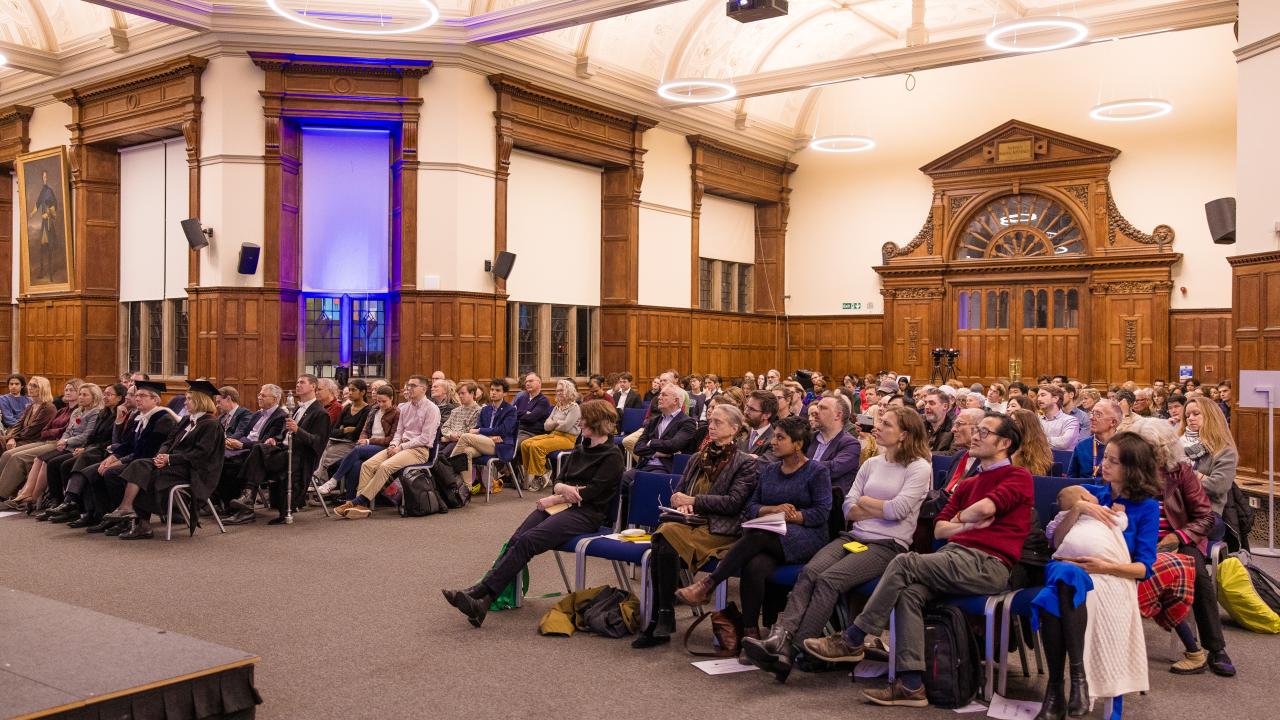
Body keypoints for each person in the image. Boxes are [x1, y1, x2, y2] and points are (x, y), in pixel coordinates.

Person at [804, 412, 1032, 708]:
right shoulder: (968, 482)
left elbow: (986, 508)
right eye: (975, 430)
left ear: (1005, 443)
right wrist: (967, 522)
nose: (974, 435)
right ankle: (911, 685)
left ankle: (854, 637)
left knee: (903, 563)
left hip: (987, 563)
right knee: (909, 594)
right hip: (952, 557)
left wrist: (965, 519)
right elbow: (940, 527)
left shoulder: (1017, 476)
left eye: (984, 432)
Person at [743, 406, 931, 682]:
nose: (877, 427)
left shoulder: (919, 467)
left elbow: (899, 510)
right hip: (854, 537)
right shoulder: (871, 464)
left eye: (886, 424)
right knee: (809, 573)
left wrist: (866, 504)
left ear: (904, 434)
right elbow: (848, 508)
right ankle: (780, 639)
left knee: (830, 580)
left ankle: (794, 650)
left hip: (887, 545)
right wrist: (872, 507)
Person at [442, 400, 625, 627]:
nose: (581, 422)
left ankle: (481, 591)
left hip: (587, 514)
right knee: (517, 538)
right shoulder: (580, 447)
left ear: (596, 422)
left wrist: (556, 495)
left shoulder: (613, 456)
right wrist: (561, 490)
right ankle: (484, 599)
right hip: (563, 504)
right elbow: (559, 480)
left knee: (528, 541)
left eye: (585, 419)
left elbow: (591, 493)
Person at [1031, 434, 1160, 720]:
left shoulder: (1147, 506)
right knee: (1064, 571)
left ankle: (1056, 691)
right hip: (1070, 567)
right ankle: (1078, 679)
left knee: (1052, 597)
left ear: (1133, 467)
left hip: (1109, 576)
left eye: (1114, 461)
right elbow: (1057, 543)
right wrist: (1077, 509)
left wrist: (1103, 566)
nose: (1105, 465)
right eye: (1105, 458)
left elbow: (1144, 568)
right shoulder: (1091, 494)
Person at [675, 416, 832, 646]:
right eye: (774, 437)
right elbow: (751, 507)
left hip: (806, 536)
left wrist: (793, 516)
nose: (774, 442)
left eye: (780, 438)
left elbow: (821, 513)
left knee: (756, 537)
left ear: (798, 444)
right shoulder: (769, 471)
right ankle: (751, 635)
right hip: (769, 535)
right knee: (754, 565)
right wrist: (773, 510)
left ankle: (708, 584)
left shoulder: (817, 471)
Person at [632, 405, 759, 649]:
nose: (711, 426)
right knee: (663, 538)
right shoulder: (697, 458)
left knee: (663, 536)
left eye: (718, 423)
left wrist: (694, 502)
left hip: (720, 528)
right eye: (711, 421)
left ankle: (662, 617)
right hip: (691, 522)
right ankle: (663, 615)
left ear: (734, 429)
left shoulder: (744, 463)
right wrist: (680, 502)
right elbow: (679, 490)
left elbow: (734, 503)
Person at [1128, 418, 1234, 677]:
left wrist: (1179, 536)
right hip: (1140, 540)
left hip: (1180, 538)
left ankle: (1216, 648)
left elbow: (1206, 517)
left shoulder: (1181, 472)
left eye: (1148, 447)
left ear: (1162, 448)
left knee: (1196, 571)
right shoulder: (1131, 471)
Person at [100, 380, 226, 540]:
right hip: (174, 464)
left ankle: (134, 515)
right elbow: (168, 441)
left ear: (201, 400)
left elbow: (201, 454)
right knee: (140, 467)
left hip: (195, 470)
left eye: (188, 399)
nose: (185, 402)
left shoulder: (211, 424)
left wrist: (170, 459)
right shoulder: (188, 420)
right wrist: (161, 455)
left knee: (143, 472)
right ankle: (133, 515)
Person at [335, 375, 440, 519]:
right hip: (400, 446)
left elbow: (425, 438)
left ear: (423, 389)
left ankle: (359, 501)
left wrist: (400, 447)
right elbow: (399, 431)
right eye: (408, 385)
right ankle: (362, 507)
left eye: (413, 386)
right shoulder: (404, 407)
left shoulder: (431, 409)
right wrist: (394, 444)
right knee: (367, 465)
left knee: (385, 466)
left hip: (419, 450)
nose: (409, 388)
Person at [235, 375, 332, 525]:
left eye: (302, 382)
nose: (298, 385)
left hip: (300, 456)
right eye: (297, 382)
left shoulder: (320, 413)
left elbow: (318, 442)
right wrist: (275, 439)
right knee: (259, 448)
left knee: (258, 452)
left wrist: (298, 429)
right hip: (285, 450)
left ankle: (247, 499)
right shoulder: (298, 408)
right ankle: (247, 499)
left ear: (313, 386)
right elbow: (284, 433)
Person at [85, 381, 179, 535]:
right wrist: (112, 457)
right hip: (136, 460)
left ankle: (125, 520)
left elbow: (148, 452)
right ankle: (106, 517)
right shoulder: (139, 417)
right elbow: (127, 444)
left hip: (150, 464)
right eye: (137, 395)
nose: (137, 399)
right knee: (93, 473)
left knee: (112, 474)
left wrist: (119, 461)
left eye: (142, 396)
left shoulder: (163, 419)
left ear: (155, 400)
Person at [6, 383, 104, 512]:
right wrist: (63, 439)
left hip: (78, 447)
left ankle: (38, 498)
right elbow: (68, 430)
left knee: (51, 462)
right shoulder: (77, 411)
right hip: (65, 444)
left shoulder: (95, 413)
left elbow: (86, 435)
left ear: (95, 397)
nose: (80, 397)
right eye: (80, 394)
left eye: (84, 395)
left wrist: (66, 441)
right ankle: (28, 494)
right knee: (39, 459)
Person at [40, 383, 127, 523]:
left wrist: (85, 448)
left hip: (105, 451)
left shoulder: (120, 415)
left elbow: (115, 441)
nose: (105, 397)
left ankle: (73, 503)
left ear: (119, 398)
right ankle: (67, 505)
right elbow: (92, 436)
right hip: (92, 448)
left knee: (73, 464)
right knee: (58, 464)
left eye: (109, 394)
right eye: (104, 393)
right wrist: (85, 447)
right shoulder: (104, 413)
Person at [0, 379, 81, 499]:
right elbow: (43, 430)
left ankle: (2, 494)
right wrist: (10, 437)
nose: (67, 392)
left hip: (57, 443)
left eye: (71, 390)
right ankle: (6, 491)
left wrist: (12, 438)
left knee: (17, 457)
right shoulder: (62, 410)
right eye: (66, 390)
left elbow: (62, 431)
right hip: (46, 440)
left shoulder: (53, 408)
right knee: (7, 454)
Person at [218, 385, 288, 521]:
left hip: (258, 453)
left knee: (230, 465)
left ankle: (240, 506)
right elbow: (245, 433)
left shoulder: (280, 417)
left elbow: (266, 444)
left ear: (274, 399)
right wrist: (233, 442)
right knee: (218, 459)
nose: (259, 397)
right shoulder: (257, 414)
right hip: (244, 447)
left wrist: (242, 445)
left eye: (263, 395)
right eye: (259, 394)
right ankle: (226, 504)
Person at [331, 385, 400, 503]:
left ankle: (334, 480)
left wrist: (368, 441)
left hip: (385, 447)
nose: (381, 404)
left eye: (384, 401)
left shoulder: (396, 413)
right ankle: (350, 500)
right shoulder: (373, 410)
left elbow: (391, 438)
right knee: (356, 464)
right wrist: (363, 439)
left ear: (391, 398)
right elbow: (365, 430)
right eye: (378, 401)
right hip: (369, 446)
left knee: (357, 450)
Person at [451, 379, 516, 494]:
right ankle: (466, 489)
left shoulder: (510, 410)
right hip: (486, 442)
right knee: (466, 452)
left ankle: (449, 470)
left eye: (497, 390)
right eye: (491, 390)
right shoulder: (485, 409)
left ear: (505, 393)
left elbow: (503, 430)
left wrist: (481, 431)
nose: (493, 393)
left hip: (500, 445)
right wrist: (488, 435)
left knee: (466, 436)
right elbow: (479, 426)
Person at [1179, 396, 1238, 517]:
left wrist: (1186, 475)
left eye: (1196, 414)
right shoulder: (1177, 443)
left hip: (1207, 513)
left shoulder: (1224, 450)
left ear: (1210, 416)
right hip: (1177, 509)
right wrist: (1200, 477)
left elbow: (1217, 486)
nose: (1190, 418)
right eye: (1187, 415)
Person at [518, 379, 581, 491]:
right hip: (554, 435)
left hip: (568, 439)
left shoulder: (574, 407)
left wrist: (554, 422)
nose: (558, 393)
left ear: (569, 390)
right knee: (525, 444)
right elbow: (546, 426)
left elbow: (566, 427)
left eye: (561, 390)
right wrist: (557, 423)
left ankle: (540, 475)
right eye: (557, 391)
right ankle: (540, 472)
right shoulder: (557, 406)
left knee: (536, 446)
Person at [311, 379, 371, 494]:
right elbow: (332, 431)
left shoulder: (367, 410)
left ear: (363, 392)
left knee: (326, 453)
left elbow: (356, 434)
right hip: (337, 440)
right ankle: (317, 481)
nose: (350, 393)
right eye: (349, 390)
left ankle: (318, 482)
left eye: (354, 390)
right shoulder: (347, 408)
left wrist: (342, 431)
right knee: (320, 446)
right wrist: (345, 430)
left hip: (352, 444)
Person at [628, 384, 696, 475]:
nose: (659, 397)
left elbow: (673, 445)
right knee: (622, 479)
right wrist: (656, 453)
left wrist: (651, 442)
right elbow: (638, 447)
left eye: (664, 395)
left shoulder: (687, 422)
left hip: (665, 468)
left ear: (676, 401)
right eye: (660, 394)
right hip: (645, 465)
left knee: (637, 483)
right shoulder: (654, 421)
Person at [806, 395, 861, 494]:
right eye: (818, 407)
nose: (816, 412)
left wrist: (800, 466)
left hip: (830, 502)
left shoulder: (850, 444)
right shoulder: (810, 438)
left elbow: (832, 469)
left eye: (823, 408)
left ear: (838, 415)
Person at [1067, 399, 1122, 479]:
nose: (1092, 418)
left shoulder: (1125, 447)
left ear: (1113, 422)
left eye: (1098, 414)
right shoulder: (1082, 446)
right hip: (1084, 490)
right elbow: (1071, 479)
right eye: (1092, 413)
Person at [1009, 408, 1054, 476]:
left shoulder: (1039, 452)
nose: (1010, 426)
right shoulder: (1005, 447)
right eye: (1010, 422)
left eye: (1015, 422)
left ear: (1027, 426)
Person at [1038, 384, 1080, 451]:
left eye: (1043, 395)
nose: (1039, 399)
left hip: (1062, 460)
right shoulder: (1036, 420)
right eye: (1038, 396)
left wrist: (1037, 440)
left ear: (1055, 398)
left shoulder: (1070, 420)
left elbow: (1064, 443)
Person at [741, 390, 778, 461]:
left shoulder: (774, 440)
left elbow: (764, 465)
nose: (745, 412)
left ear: (767, 415)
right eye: (747, 406)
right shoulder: (740, 431)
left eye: (751, 409)